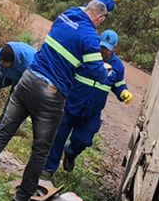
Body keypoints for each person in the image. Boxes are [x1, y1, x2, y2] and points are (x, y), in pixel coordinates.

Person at [0, 0, 146, 201]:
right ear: (99, 20)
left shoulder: (69, 13)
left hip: (27, 80)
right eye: (101, 19)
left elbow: (98, 4)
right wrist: (110, 77)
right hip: (50, 95)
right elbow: (98, 73)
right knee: (41, 148)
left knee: (3, 132)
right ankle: (22, 199)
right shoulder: (89, 38)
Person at [44, 29, 132, 176]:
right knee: (57, 138)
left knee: (84, 140)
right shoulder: (87, 55)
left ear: (114, 49)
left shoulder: (117, 66)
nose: (103, 51)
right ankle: (48, 169)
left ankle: (71, 153)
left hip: (92, 112)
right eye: (101, 47)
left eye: (107, 49)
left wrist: (123, 93)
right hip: (71, 105)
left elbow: (118, 85)